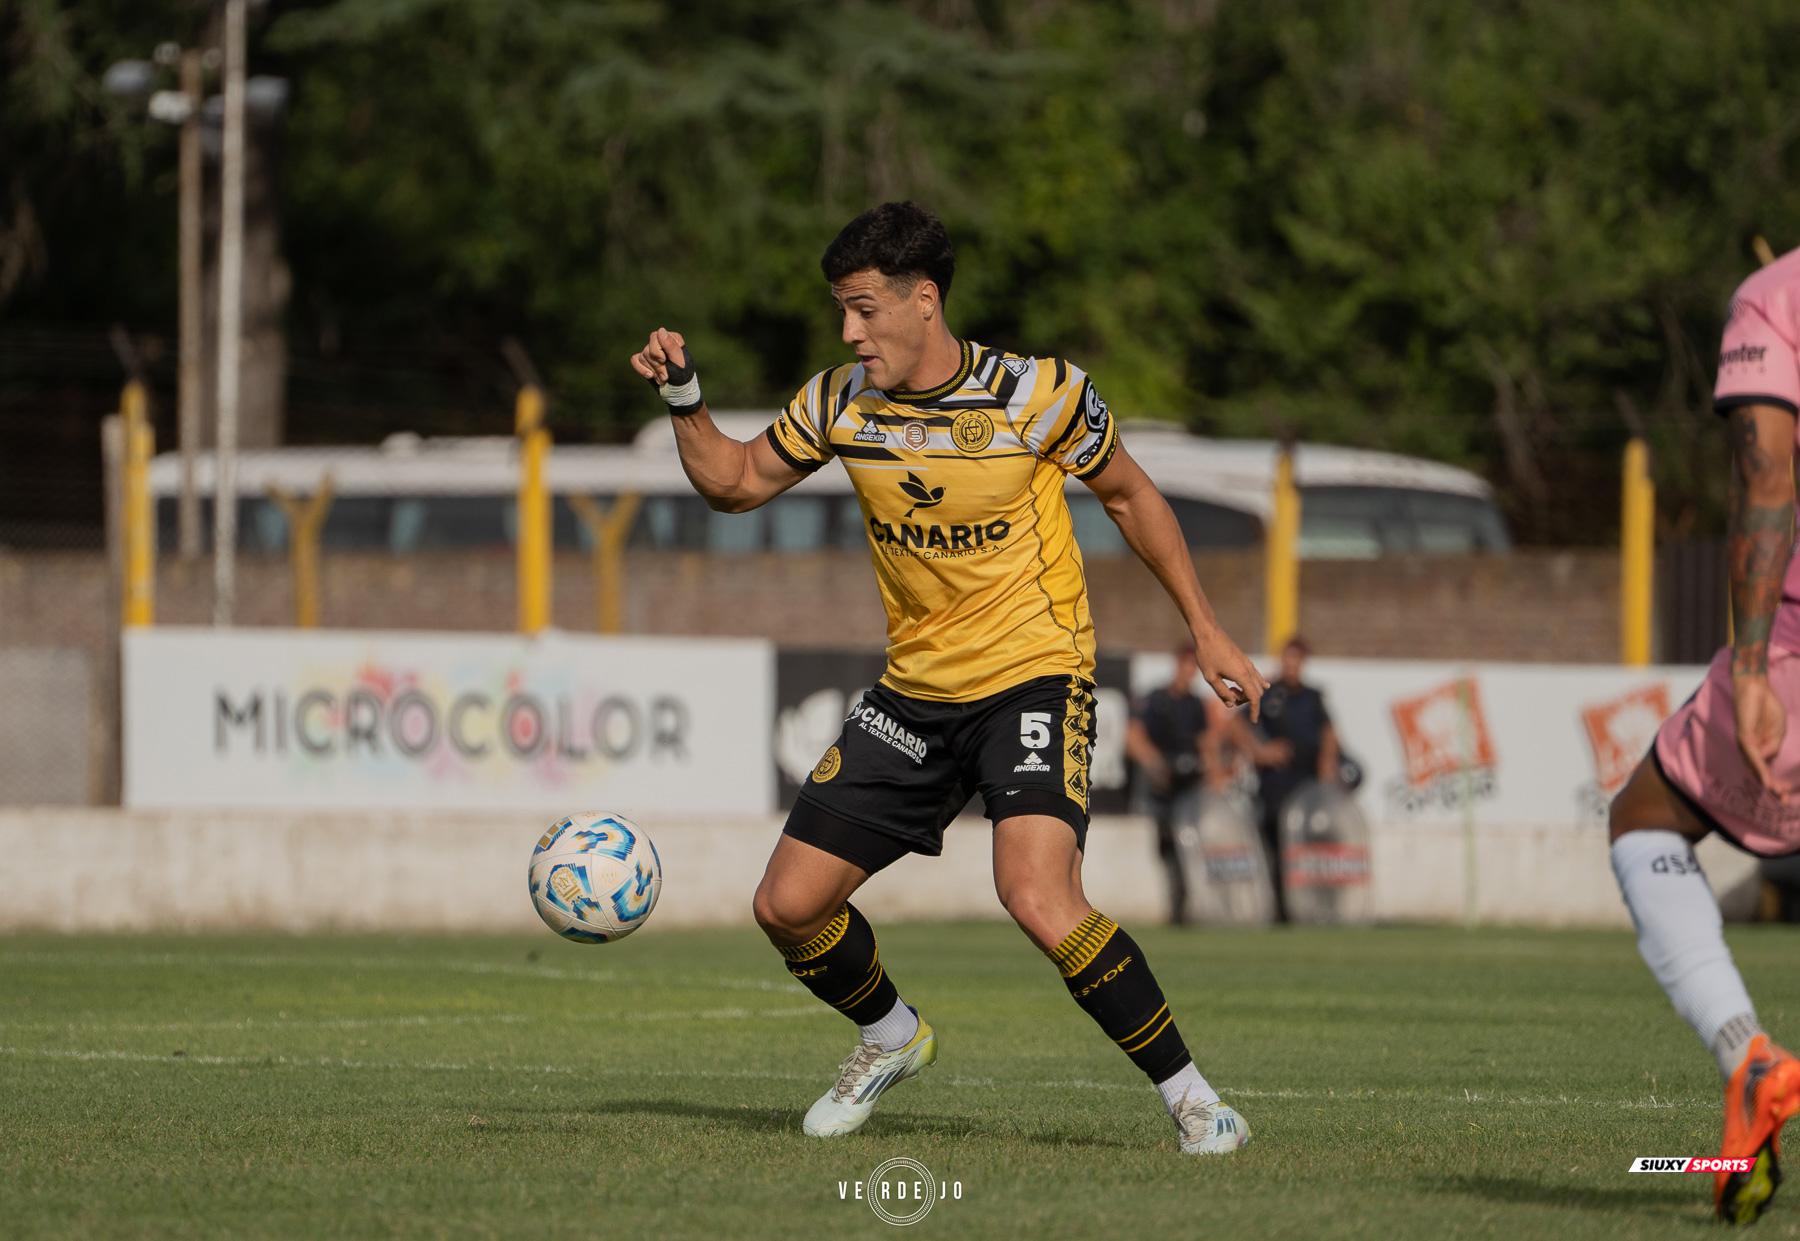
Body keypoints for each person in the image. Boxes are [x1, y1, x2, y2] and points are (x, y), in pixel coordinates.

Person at [629, 201, 1267, 1155]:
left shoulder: (1040, 394)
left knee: (1037, 893)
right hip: (914, 694)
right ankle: (890, 1033)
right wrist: (685, 397)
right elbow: (734, 483)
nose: (849, 332)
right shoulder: (842, 401)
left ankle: (1195, 1100)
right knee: (787, 906)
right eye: (841, 313)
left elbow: (1131, 494)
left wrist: (1207, 629)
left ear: (923, 302)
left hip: (1035, 675)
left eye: (863, 310)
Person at [1607, 243, 1800, 1224]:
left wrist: (1757, 667)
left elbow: (1766, 470)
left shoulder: (1775, 298)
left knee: (1643, 820)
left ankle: (1747, 1054)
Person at [1125, 642, 1229, 925]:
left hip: (1190, 790)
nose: (1187, 672)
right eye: (1185, 665)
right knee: (1169, 850)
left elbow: (1207, 743)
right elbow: (1135, 738)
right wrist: (1156, 764)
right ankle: (1177, 908)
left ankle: (1191, 908)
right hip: (1163, 789)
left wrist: (1215, 773)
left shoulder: (1195, 705)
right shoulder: (1157, 699)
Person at [1244, 636, 1339, 921]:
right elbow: (1235, 727)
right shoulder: (1268, 693)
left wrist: (1327, 765)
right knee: (1278, 851)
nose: (1292, 666)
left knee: (1311, 852)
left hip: (1308, 786)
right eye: (1289, 659)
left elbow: (1329, 735)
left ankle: (1313, 909)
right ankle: (1282, 913)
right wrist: (1259, 751)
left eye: (1298, 660)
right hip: (1277, 787)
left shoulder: (1312, 697)